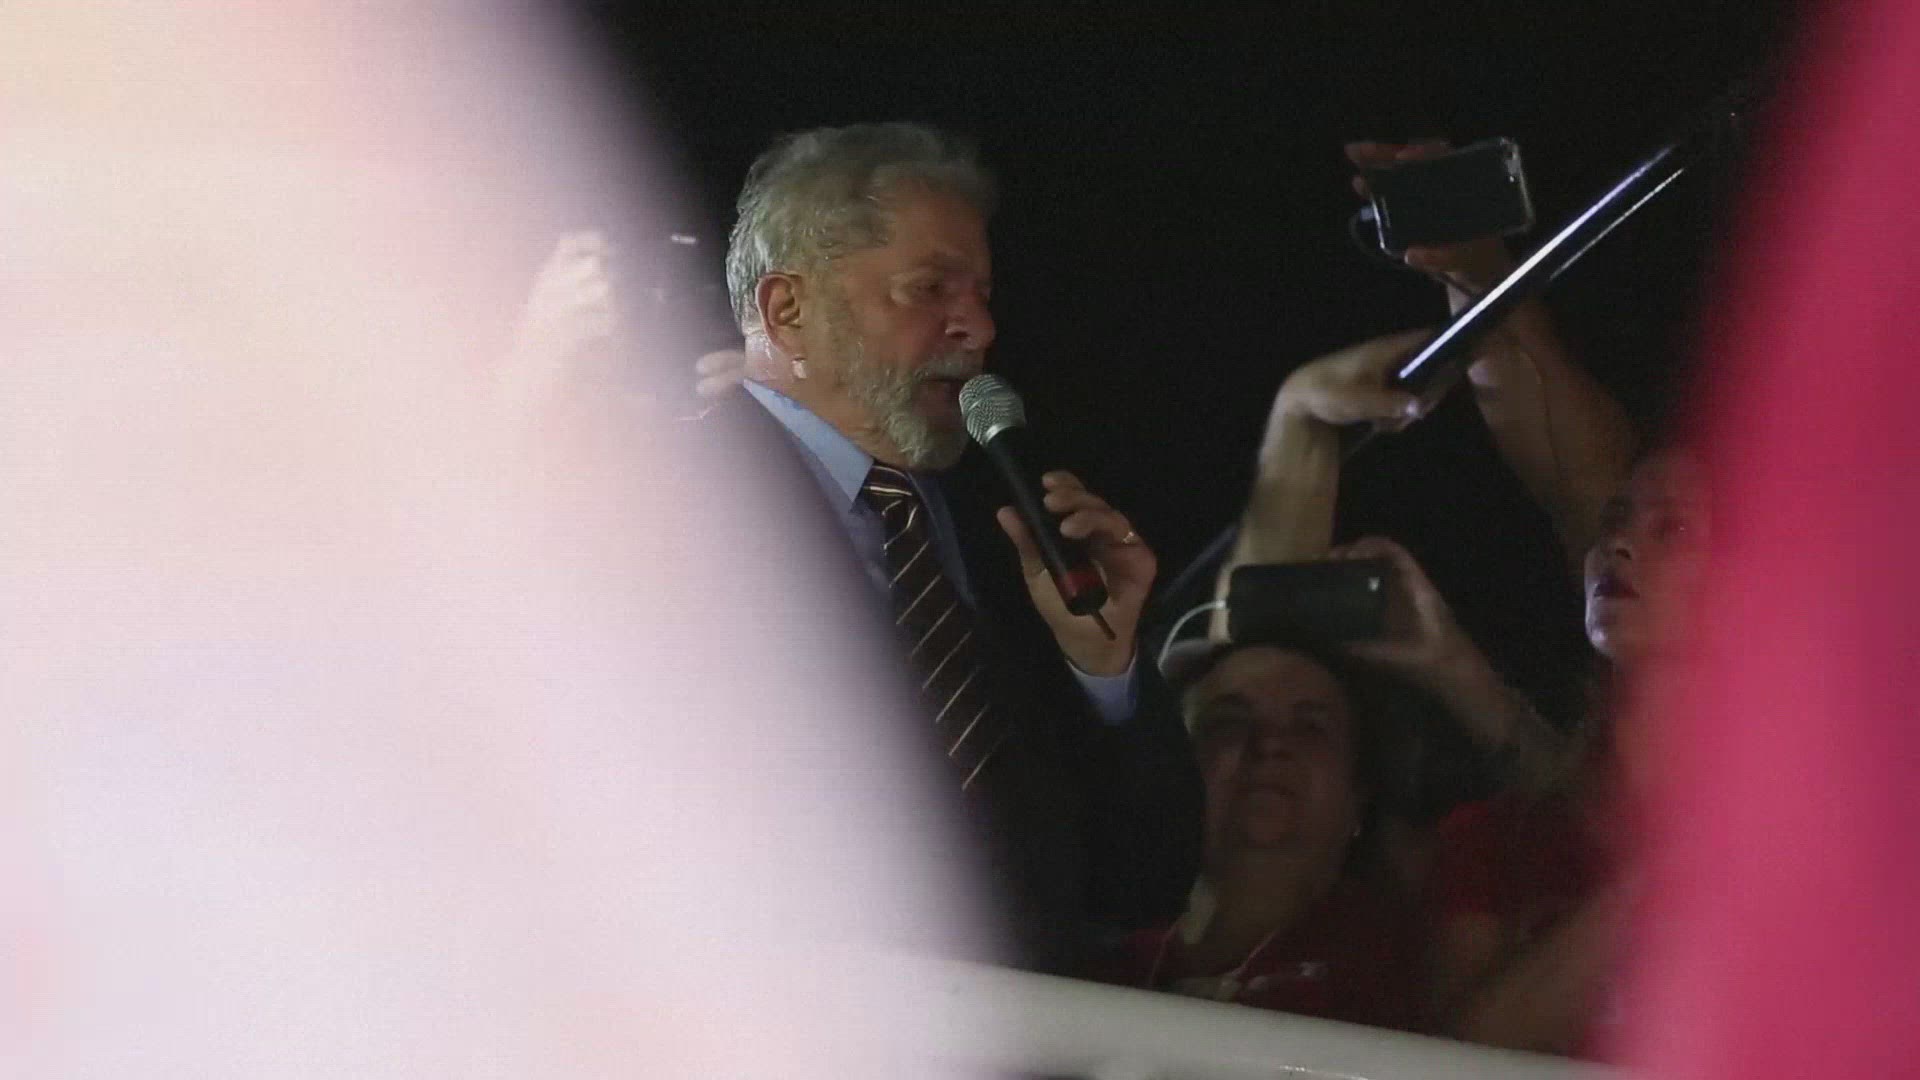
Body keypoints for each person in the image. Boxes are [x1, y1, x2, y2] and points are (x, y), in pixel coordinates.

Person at [703, 121, 1195, 970]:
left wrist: (1102, 670)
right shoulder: (656, 500)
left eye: (981, 294)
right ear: (788, 311)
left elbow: (1141, 882)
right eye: (930, 289)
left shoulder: (1011, 530)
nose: (978, 327)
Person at [1098, 640, 1423, 1030]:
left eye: (1310, 728)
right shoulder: (1092, 957)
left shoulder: (1414, 967)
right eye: (1229, 724)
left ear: (1358, 796)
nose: (1270, 745)